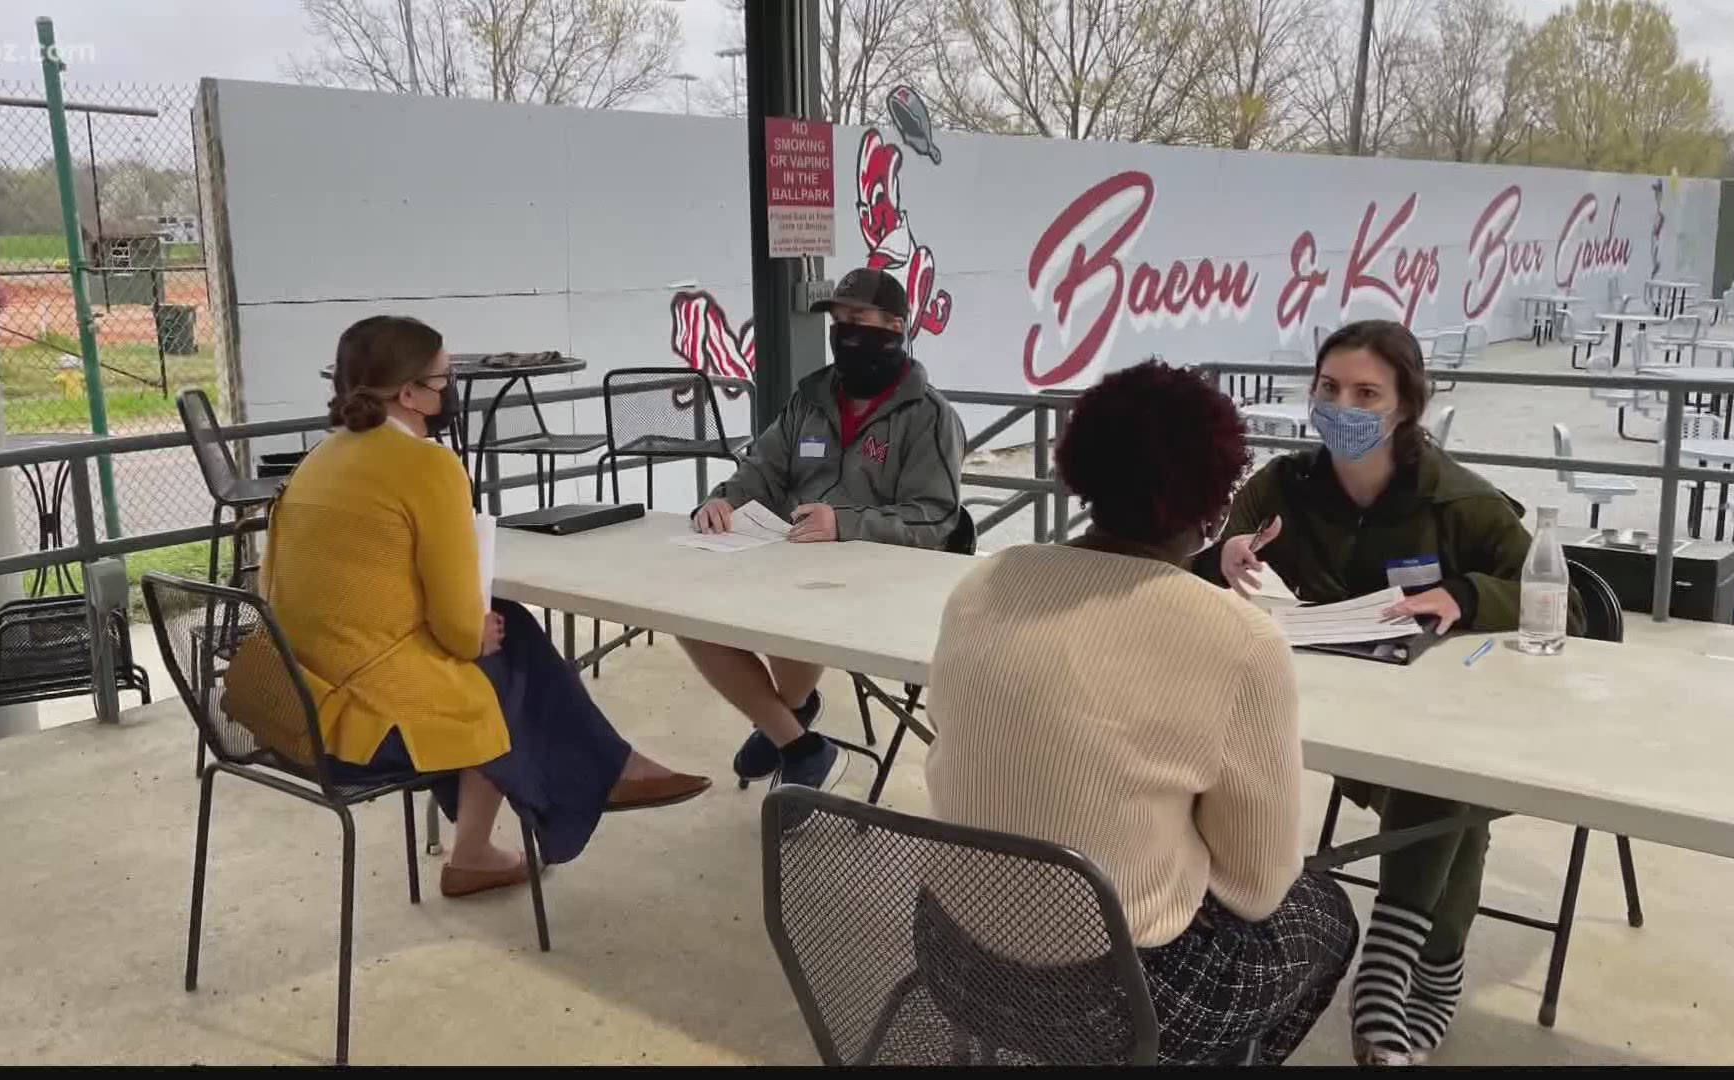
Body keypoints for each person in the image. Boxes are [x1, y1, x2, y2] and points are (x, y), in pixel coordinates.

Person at [923, 360, 1357, 1066]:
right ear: (1216, 505)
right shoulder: (1238, 639)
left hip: (955, 961)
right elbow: (1255, 886)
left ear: (1078, 470)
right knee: (1325, 912)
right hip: (1113, 1000)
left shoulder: (982, 585)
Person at [1194, 319, 1576, 1065]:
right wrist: (1222, 557)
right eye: (1330, 388)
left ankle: (1393, 970)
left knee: (1444, 779)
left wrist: (1464, 595)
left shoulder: (1461, 504)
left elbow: (1566, 604)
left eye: (1367, 393)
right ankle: (1428, 974)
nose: (1343, 405)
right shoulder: (1280, 490)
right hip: (1317, 720)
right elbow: (1202, 589)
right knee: (1440, 790)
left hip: (1457, 723)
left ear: (1407, 407)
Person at [251, 315, 709, 899]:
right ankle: (599, 777)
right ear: (411, 393)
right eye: (446, 378)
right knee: (494, 661)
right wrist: (472, 633)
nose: (453, 391)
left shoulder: (317, 461)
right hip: (358, 726)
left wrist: (473, 627)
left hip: (291, 697)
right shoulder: (426, 465)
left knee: (507, 632)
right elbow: (456, 621)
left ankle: (494, 841)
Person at [680, 267, 966, 792]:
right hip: (786, 564)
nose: (845, 333)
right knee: (685, 613)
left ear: (896, 326)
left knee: (790, 622)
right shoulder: (809, 399)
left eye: (859, 319)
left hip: (873, 587)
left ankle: (782, 721)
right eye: (838, 321)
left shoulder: (929, 417)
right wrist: (724, 499)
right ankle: (796, 738)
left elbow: (934, 518)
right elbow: (762, 468)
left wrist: (846, 524)